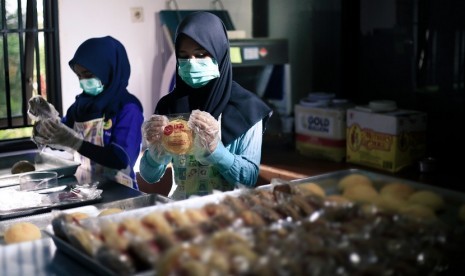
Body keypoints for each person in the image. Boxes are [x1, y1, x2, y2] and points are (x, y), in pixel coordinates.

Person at [139, 11, 273, 200]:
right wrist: (156, 154)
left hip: (230, 212)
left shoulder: (247, 109)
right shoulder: (170, 106)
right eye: (183, 56)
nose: (191, 64)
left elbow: (249, 178)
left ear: (220, 53)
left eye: (201, 54)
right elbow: (149, 176)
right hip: (182, 210)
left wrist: (215, 150)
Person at [31, 36, 144, 189]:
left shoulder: (128, 108)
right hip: (86, 190)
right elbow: (59, 138)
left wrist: (75, 142)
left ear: (108, 70)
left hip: (120, 191)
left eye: (88, 75)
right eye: (79, 76)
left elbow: (120, 159)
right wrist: (45, 122)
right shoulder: (80, 106)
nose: (83, 81)